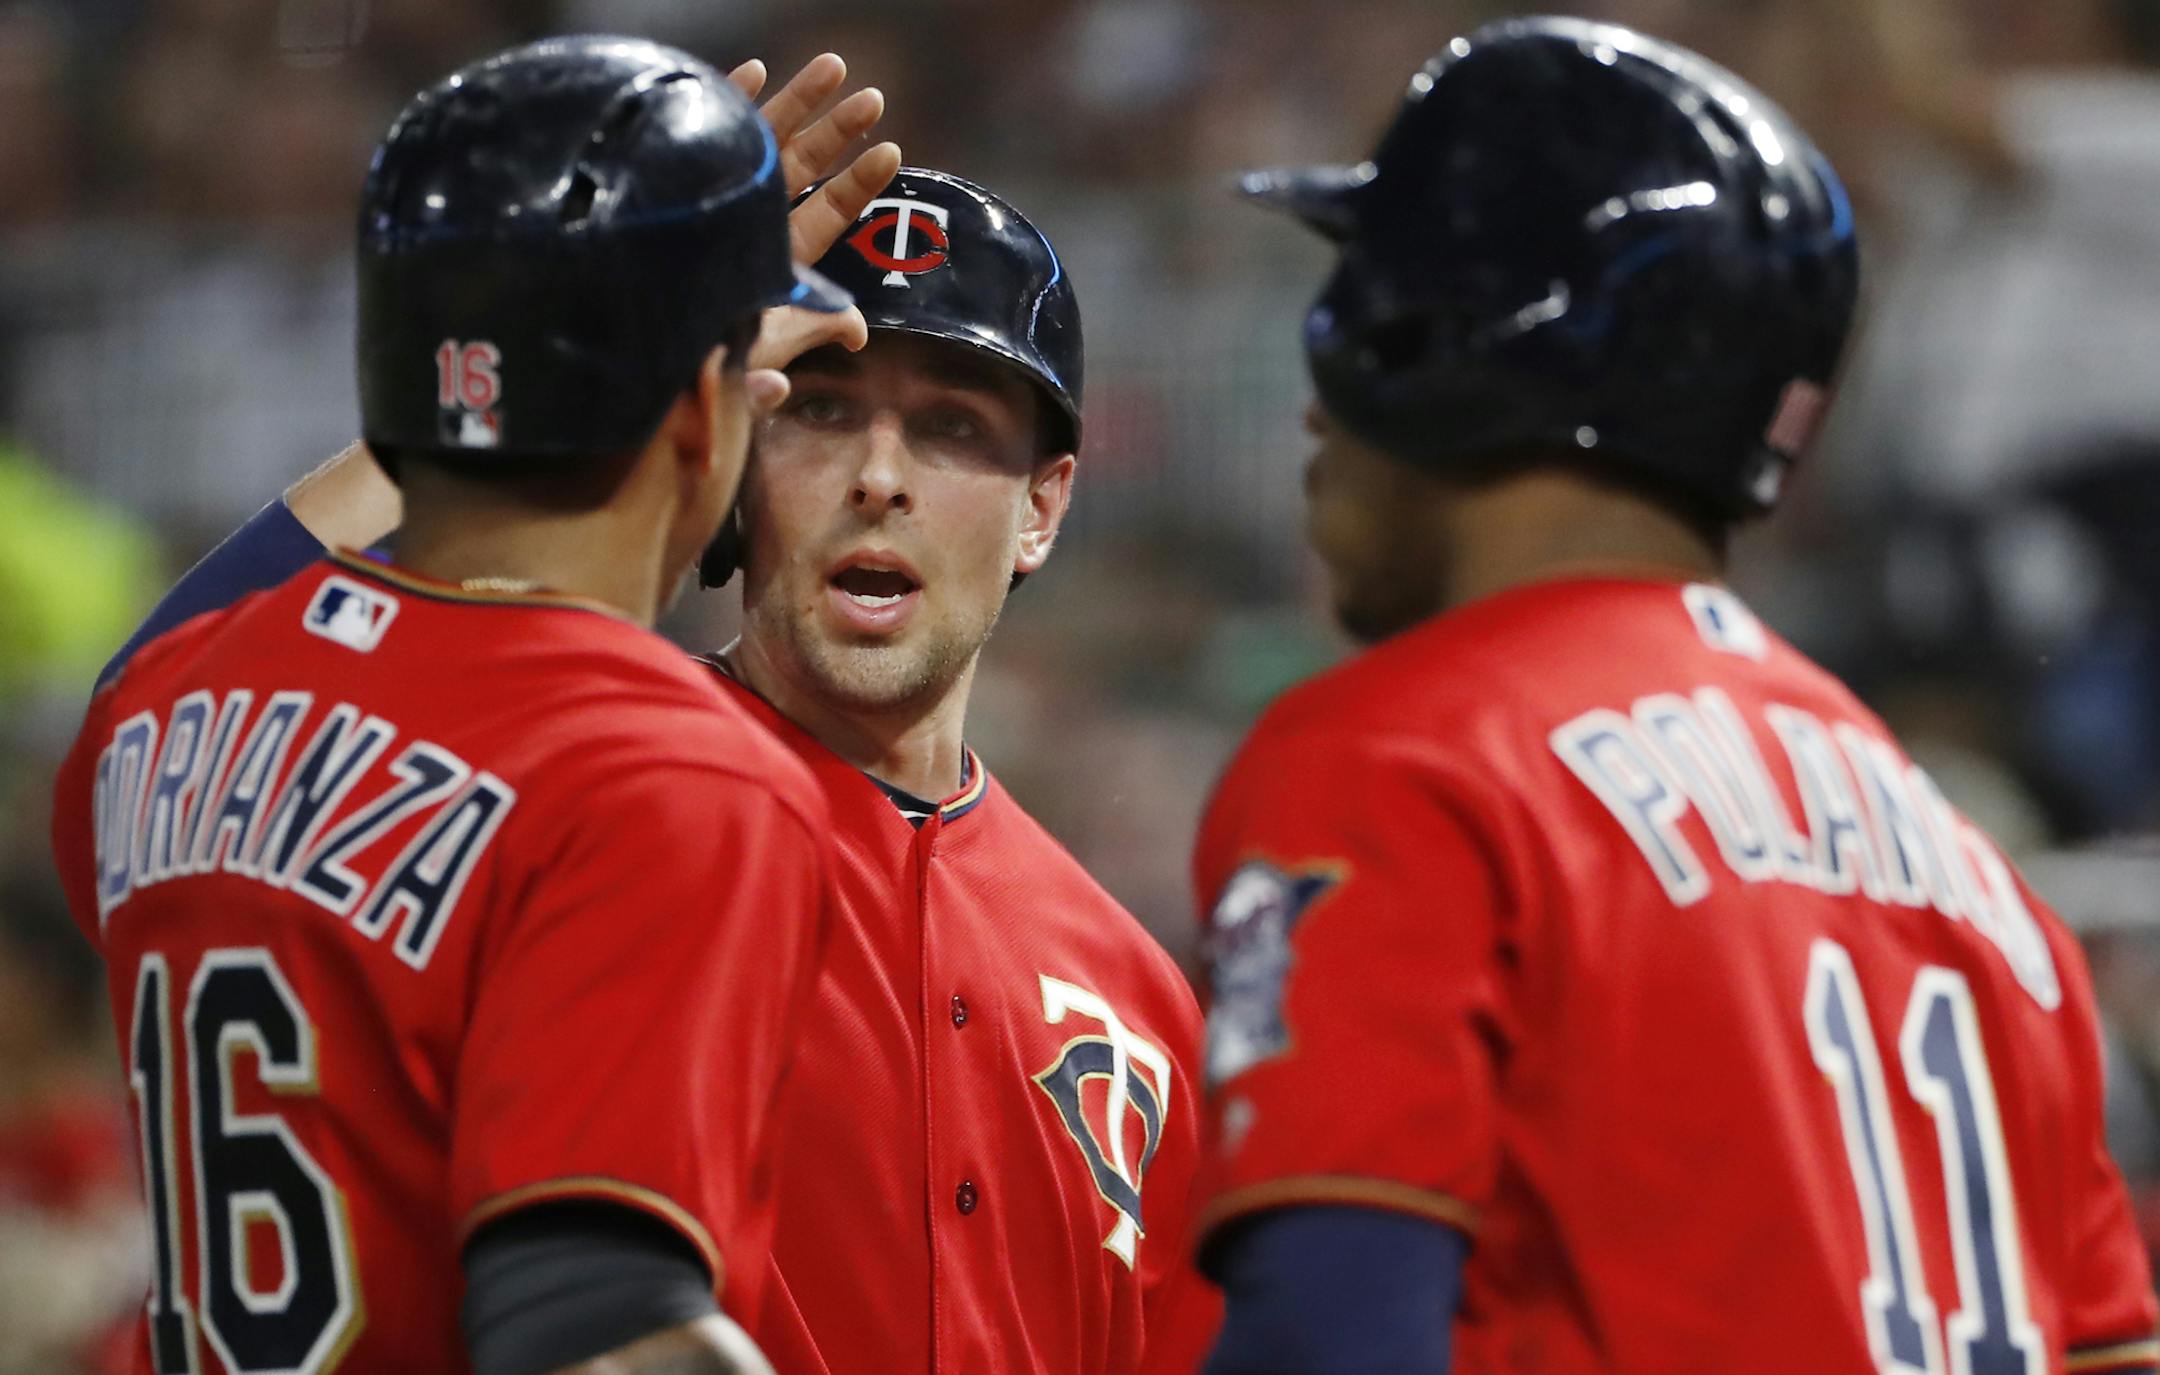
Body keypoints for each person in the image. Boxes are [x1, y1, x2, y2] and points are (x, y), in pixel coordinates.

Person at [110, 159, 1217, 1373]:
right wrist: (549, 380)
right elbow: (170, 713)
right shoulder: (572, 781)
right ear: (727, 449)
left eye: (953, 427)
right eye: (821, 408)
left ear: (1043, 510)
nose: (880, 475)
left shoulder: (1136, 995)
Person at [1190, 16, 2158, 1375]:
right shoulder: (1978, 886)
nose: (1313, 405)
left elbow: (1330, 1326)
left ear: (1437, 342)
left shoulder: (1405, 750)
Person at [50, 36, 885, 1375]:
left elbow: (166, 650)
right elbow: (595, 1322)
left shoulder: (166, 708)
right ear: (702, 410)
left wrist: (557, 331)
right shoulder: (662, 764)